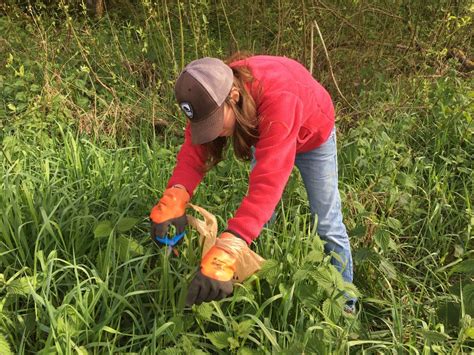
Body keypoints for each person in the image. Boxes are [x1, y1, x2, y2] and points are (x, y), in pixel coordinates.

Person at [150, 53, 355, 311]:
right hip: (267, 124)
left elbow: (268, 183)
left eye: (215, 123)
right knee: (262, 220)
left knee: (326, 221)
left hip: (313, 135)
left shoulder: (278, 100)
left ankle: (346, 305)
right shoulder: (209, 93)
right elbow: (195, 151)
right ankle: (260, 282)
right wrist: (175, 195)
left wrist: (227, 248)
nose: (212, 132)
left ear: (233, 96)